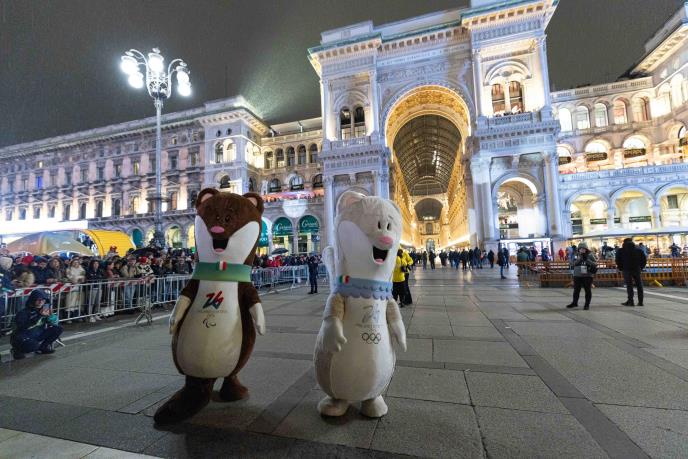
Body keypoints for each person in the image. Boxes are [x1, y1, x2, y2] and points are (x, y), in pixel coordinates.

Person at [10, 289, 63, 360]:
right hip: (22, 336)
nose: (41, 302)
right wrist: (39, 316)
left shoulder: (44, 309)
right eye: (38, 300)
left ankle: (43, 347)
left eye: (43, 300)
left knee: (58, 328)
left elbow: (54, 323)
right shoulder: (23, 312)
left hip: (37, 334)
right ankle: (17, 350)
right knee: (34, 345)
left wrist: (51, 318)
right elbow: (22, 328)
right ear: (33, 299)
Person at [615, 238, 647, 307]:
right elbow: (644, 260)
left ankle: (630, 301)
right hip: (636, 269)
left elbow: (617, 260)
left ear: (624, 243)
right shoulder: (638, 250)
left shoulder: (621, 251)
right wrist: (641, 267)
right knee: (639, 285)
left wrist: (621, 268)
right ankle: (640, 302)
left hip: (626, 270)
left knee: (629, 286)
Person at [566, 242, 597, 310]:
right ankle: (574, 303)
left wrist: (587, 260)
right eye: (581, 248)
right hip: (577, 275)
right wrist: (579, 260)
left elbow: (595, 264)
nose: (582, 250)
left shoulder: (590, 255)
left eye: (584, 248)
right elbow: (572, 263)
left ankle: (587, 305)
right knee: (576, 290)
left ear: (586, 249)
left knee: (587, 290)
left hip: (587, 275)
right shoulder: (576, 254)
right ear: (578, 249)